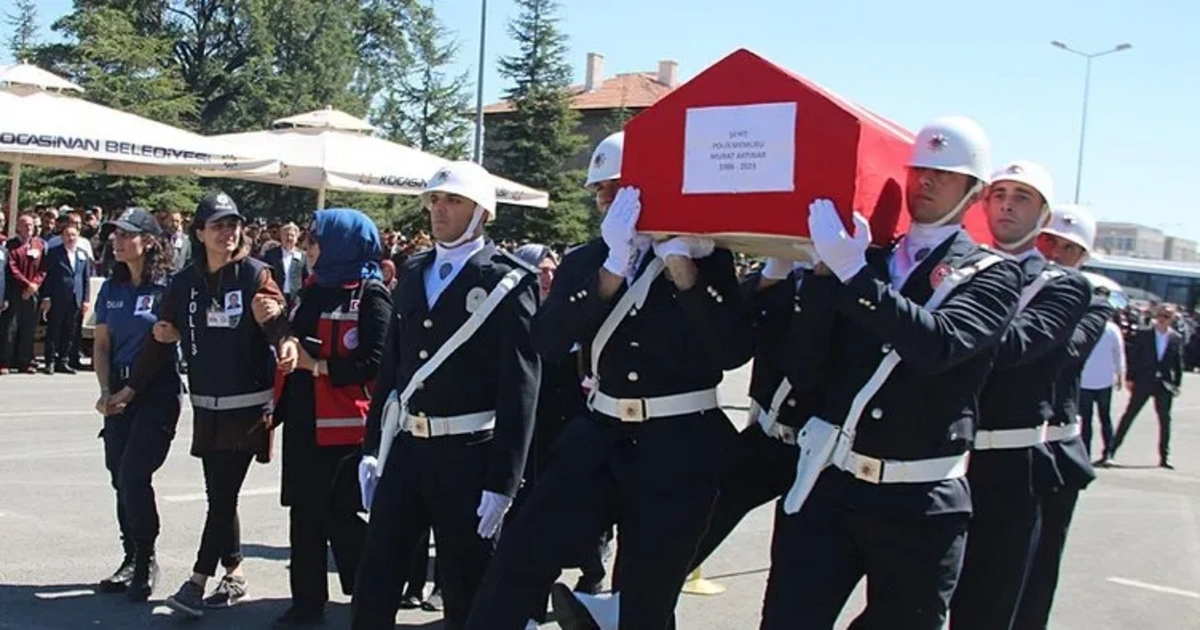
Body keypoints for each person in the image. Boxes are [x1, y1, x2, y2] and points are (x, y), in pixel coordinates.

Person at [465, 132, 754, 630]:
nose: (604, 200)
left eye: (617, 187)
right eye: (599, 190)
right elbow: (549, 341)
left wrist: (684, 270)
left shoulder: (706, 257)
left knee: (646, 598)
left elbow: (732, 351)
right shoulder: (587, 260)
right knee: (519, 555)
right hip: (598, 433)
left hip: (679, 440)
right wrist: (610, 273)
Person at [762, 117, 1022, 630]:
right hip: (831, 484)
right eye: (919, 169)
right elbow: (807, 368)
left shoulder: (993, 275)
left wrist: (854, 276)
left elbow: (939, 344)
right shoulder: (870, 257)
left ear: (975, 192)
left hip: (919, 503)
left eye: (942, 174)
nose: (924, 181)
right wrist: (820, 277)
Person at [352, 161, 541, 630]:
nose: (439, 209)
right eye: (435, 200)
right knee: (375, 577)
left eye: (452, 201)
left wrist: (504, 482)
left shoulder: (507, 281)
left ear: (481, 212)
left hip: (469, 455)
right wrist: (374, 448)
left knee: (466, 588)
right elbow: (393, 369)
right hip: (410, 450)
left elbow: (520, 388)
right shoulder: (414, 271)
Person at [116, 190, 288, 619]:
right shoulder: (184, 283)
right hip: (206, 408)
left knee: (222, 493)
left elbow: (279, 322)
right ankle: (235, 573)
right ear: (199, 233)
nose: (228, 232)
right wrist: (130, 389)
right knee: (220, 494)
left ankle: (196, 582)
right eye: (218, 225)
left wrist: (281, 335)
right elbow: (160, 339)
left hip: (248, 408)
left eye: (233, 224)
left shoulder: (255, 275)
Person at [949, 161, 1090, 630]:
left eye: (1022, 197)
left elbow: (1011, 348)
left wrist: (938, 332)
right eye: (1000, 193)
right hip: (942, 460)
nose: (1007, 204)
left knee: (988, 610)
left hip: (1006, 470)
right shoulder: (957, 265)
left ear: (1043, 214)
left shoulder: (1062, 285)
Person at [256, 208, 393, 627]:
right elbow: (296, 335)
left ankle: (374, 589)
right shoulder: (312, 289)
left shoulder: (371, 293)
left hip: (345, 426)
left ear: (343, 244)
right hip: (302, 418)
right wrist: (284, 341)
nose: (310, 248)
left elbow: (377, 361)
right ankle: (307, 601)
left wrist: (317, 366)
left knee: (341, 515)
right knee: (304, 513)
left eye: (317, 241)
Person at [1013, 204, 1115, 629]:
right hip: (996, 447)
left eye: (1069, 248)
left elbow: (1067, 350)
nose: (1055, 253)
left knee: (1035, 575)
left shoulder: (1092, 301)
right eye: (1049, 240)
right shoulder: (1007, 280)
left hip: (1052, 452)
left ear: (1084, 259)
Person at [91, 208, 183, 602]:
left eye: (127, 235)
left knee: (133, 473)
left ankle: (146, 558)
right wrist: (106, 390)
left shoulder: (167, 286)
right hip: (119, 388)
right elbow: (101, 344)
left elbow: (166, 344)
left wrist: (131, 390)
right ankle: (130, 554)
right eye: (115, 235)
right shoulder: (111, 288)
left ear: (148, 241)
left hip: (156, 391)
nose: (118, 241)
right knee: (117, 475)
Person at [1108, 303, 1184, 469]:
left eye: (1168, 316)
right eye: (1162, 314)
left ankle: (1164, 457)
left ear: (1172, 319)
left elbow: (1178, 363)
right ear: (1156, 315)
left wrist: (1177, 383)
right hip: (1144, 381)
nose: (1164, 318)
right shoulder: (1144, 334)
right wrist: (1130, 378)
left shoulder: (1175, 338)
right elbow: (1134, 357)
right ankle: (1110, 451)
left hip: (1164, 384)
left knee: (1165, 421)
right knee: (1129, 415)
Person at [40, 221, 94, 375]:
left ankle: (63, 361)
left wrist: (86, 299)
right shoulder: (54, 252)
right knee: (53, 331)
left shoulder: (82, 254)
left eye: (73, 235)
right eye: (67, 235)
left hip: (75, 299)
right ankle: (49, 362)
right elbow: (47, 277)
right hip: (57, 297)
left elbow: (85, 279)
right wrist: (47, 297)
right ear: (62, 237)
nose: (71, 238)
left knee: (70, 331)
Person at [2, 213, 47, 374]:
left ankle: (25, 361)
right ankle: (5, 362)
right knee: (10, 328)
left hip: (33, 293)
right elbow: (12, 267)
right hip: (15, 292)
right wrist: (26, 285)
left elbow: (43, 268)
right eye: (25, 225)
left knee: (29, 328)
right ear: (18, 227)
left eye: (31, 225)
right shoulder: (11, 246)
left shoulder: (39, 245)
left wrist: (35, 285)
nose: (29, 228)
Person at [1081, 312, 1126, 461]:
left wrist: (1120, 374)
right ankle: (1085, 453)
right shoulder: (1085, 324)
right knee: (1085, 420)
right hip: (1084, 381)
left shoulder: (1112, 329)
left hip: (1104, 381)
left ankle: (1108, 452)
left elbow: (1119, 352)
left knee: (1104, 418)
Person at [264, 222, 308, 304]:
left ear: (297, 237)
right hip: (276, 296)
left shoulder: (303, 255)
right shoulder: (271, 254)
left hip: (296, 298)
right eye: (286, 235)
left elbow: (306, 276)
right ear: (281, 236)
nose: (289, 238)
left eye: (292, 235)